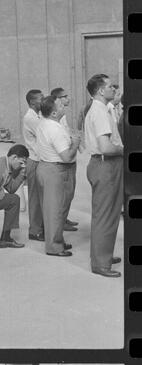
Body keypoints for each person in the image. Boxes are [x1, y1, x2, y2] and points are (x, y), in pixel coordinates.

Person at [84, 74, 123, 278]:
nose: (113, 89)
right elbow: (106, 147)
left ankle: (103, 254)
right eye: (109, 86)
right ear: (100, 90)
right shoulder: (99, 112)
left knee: (109, 213)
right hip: (105, 164)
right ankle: (100, 263)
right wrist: (125, 150)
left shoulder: (102, 109)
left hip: (106, 164)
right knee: (105, 215)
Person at [36, 96, 81, 257]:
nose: (64, 105)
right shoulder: (54, 128)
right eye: (60, 105)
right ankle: (54, 246)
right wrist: (75, 143)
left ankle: (57, 240)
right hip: (57, 170)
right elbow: (67, 157)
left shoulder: (46, 123)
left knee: (57, 208)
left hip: (49, 168)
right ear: (54, 113)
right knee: (55, 210)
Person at [50, 87, 79, 232]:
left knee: (69, 192)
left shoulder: (63, 116)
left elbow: (67, 132)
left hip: (70, 155)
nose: (68, 98)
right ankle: (60, 222)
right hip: (63, 159)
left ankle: (64, 218)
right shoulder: (54, 118)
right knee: (64, 194)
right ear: (57, 99)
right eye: (64, 96)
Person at [22, 89, 44, 242]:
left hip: (39, 159)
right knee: (35, 198)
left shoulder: (38, 115)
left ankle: (40, 227)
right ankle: (34, 230)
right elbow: (45, 132)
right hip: (34, 160)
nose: (43, 101)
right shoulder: (30, 118)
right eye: (40, 99)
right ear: (32, 102)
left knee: (41, 196)